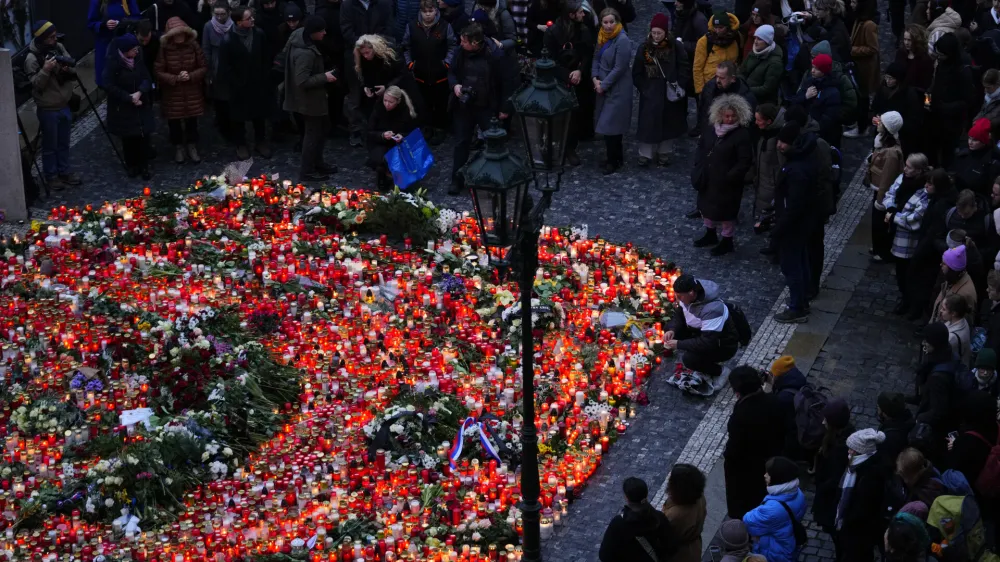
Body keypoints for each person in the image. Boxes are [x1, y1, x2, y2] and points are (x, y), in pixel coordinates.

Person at [448, 23, 515, 194]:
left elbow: (508, 82)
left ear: (475, 42)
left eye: (464, 41)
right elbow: (452, 72)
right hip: (465, 104)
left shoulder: (496, 55)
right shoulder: (460, 52)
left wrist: (505, 107)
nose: (461, 44)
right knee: (461, 142)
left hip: (488, 106)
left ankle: (498, 179)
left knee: (494, 143)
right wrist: (455, 85)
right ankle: (457, 178)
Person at [691, 94, 754, 255]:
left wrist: (731, 176)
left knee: (726, 213)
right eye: (727, 116)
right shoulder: (711, 129)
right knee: (707, 207)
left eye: (733, 116)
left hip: (728, 182)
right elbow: (702, 147)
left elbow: (745, 160)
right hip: (709, 177)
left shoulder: (741, 135)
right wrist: (699, 165)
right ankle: (710, 234)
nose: (730, 119)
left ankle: (727, 241)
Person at [24, 21, 83, 191]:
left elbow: (74, 70)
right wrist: (46, 70)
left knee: (64, 142)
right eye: (50, 37)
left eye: (55, 35)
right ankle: (51, 176)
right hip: (48, 109)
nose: (54, 39)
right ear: (42, 39)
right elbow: (36, 85)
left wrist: (66, 69)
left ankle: (64, 171)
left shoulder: (58, 47)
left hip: (64, 104)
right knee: (50, 146)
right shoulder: (31, 59)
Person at [772, 121, 820, 323]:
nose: (779, 145)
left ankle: (796, 307)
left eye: (784, 142)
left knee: (792, 265)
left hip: (795, 225)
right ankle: (801, 300)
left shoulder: (797, 170)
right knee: (800, 261)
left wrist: (779, 228)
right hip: (802, 222)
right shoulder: (801, 159)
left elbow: (794, 205)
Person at [724, 366, 786, 519]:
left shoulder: (740, 417)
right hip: (771, 458)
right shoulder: (774, 401)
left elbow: (734, 451)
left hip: (748, 469)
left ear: (738, 392)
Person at [284, 15, 340, 182]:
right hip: (309, 101)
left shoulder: (300, 37)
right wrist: (325, 77)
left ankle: (317, 162)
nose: (324, 33)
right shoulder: (305, 54)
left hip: (313, 99)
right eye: (321, 30)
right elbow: (302, 80)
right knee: (313, 134)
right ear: (313, 32)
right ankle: (307, 170)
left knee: (322, 129)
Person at [664, 275, 741, 393]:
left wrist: (679, 344)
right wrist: (672, 330)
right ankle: (702, 361)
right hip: (698, 332)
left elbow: (707, 343)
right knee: (670, 329)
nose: (677, 299)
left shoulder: (713, 309)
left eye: (679, 296)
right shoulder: (687, 297)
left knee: (689, 359)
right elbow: (680, 315)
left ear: (691, 293)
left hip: (722, 344)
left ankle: (721, 371)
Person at [632, 13, 689, 167]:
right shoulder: (644, 48)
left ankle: (664, 154)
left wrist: (680, 84)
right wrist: (644, 88)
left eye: (659, 33)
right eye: (654, 33)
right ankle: (645, 155)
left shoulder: (675, 47)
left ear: (666, 32)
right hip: (650, 94)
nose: (656, 36)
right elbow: (637, 72)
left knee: (668, 125)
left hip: (669, 94)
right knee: (648, 126)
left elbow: (684, 66)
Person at [544, 0, 596, 165]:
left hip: (579, 78)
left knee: (576, 114)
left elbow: (588, 53)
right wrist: (567, 74)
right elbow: (549, 58)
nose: (583, 14)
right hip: (560, 78)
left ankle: (571, 146)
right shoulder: (553, 32)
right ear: (571, 15)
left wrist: (580, 70)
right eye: (580, 12)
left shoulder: (584, 30)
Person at [224, 6, 276, 160]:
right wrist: (234, 82)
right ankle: (241, 143)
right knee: (238, 117)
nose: (253, 19)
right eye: (248, 18)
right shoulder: (228, 40)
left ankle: (260, 141)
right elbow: (225, 66)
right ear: (239, 22)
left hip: (258, 82)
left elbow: (266, 57)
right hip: (238, 85)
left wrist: (265, 77)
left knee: (259, 114)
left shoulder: (259, 34)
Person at [340, 0, 394, 147]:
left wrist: (375, 45)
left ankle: (378, 128)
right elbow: (346, 30)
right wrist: (363, 46)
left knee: (378, 90)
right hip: (354, 55)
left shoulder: (383, 4)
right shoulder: (348, 5)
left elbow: (388, 28)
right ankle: (356, 130)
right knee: (355, 95)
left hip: (378, 54)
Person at [402, 0, 456, 145]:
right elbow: (406, 46)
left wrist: (446, 63)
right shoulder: (412, 26)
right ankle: (426, 128)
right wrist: (410, 64)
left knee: (440, 104)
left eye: (430, 11)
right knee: (423, 103)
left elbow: (452, 46)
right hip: (420, 74)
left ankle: (439, 129)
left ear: (436, 11)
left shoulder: (445, 26)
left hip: (440, 75)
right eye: (425, 11)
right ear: (420, 11)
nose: (427, 15)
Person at [154, 17, 207, 165]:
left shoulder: (193, 46)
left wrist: (190, 76)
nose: (179, 37)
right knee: (174, 122)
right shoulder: (164, 49)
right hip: (173, 92)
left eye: (181, 34)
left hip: (192, 89)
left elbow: (203, 66)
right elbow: (158, 70)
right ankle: (178, 147)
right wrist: (175, 78)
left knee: (192, 121)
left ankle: (192, 146)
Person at [830, 429, 888, 562]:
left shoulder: (870, 476)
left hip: (858, 531)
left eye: (852, 450)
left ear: (862, 452)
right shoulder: (857, 465)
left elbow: (863, 508)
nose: (849, 452)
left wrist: (847, 523)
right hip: (851, 526)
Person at [102, 34, 155, 180]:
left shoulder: (138, 60)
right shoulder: (113, 63)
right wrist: (128, 97)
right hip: (123, 107)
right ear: (125, 50)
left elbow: (147, 78)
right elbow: (108, 85)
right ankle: (132, 165)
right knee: (128, 139)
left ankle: (144, 166)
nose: (136, 52)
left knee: (144, 138)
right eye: (134, 49)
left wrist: (139, 92)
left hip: (140, 104)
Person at [883, 153, 931, 315]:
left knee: (910, 273)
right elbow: (890, 194)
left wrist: (894, 216)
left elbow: (914, 220)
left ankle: (911, 302)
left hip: (910, 241)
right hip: (896, 234)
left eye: (909, 167)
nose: (905, 169)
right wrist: (890, 208)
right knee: (900, 271)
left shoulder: (924, 191)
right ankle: (905, 297)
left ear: (918, 171)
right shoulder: (902, 178)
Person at [592, 8, 633, 175]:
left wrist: (603, 84)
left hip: (617, 89)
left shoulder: (622, 40)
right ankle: (614, 157)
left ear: (617, 22)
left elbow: (619, 68)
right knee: (609, 125)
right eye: (605, 22)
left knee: (611, 125)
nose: (608, 26)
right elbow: (596, 58)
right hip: (603, 85)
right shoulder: (602, 37)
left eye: (611, 22)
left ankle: (614, 159)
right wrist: (594, 78)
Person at [743, 456, 807, 562]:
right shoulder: (798, 493)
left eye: (768, 473)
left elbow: (748, 520)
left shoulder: (773, 509)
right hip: (789, 543)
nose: (764, 475)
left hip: (774, 553)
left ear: (778, 478)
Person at [598, 477, 676, 562]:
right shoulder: (659, 517)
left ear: (627, 498)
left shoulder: (618, 524)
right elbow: (671, 546)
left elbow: (605, 555)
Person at [926, 33, 974, 169]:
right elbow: (933, 86)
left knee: (947, 154)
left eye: (942, 55)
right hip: (934, 117)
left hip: (951, 123)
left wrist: (943, 107)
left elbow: (967, 101)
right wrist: (927, 101)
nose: (938, 57)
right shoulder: (942, 64)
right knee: (932, 149)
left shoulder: (963, 72)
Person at [914, 323, 961, 462]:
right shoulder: (947, 354)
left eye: (927, 340)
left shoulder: (938, 378)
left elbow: (938, 411)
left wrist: (920, 418)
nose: (924, 343)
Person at [812, 398, 854, 533]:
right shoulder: (839, 437)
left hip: (830, 500)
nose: (823, 422)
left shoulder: (839, 449)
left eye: (826, 419)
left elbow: (834, 478)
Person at [691, 11, 741, 125]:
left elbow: (739, 60)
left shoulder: (737, 38)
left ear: (728, 27)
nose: (717, 31)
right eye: (716, 27)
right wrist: (700, 90)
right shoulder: (704, 42)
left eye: (721, 27)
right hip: (710, 86)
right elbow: (697, 67)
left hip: (730, 85)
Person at [869, 111, 905, 262]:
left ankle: (882, 250)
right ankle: (878, 246)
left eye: (882, 123)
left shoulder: (891, 153)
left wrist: (880, 199)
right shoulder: (883, 142)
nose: (879, 123)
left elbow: (887, 178)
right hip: (878, 189)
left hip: (881, 193)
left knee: (880, 224)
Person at [366, 86, 418, 190]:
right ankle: (382, 174)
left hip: (398, 144)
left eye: (391, 102)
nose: (387, 104)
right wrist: (382, 135)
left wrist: (402, 136)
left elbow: (413, 132)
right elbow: (368, 132)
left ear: (398, 101)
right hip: (380, 142)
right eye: (385, 100)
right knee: (381, 158)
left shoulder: (405, 111)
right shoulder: (378, 108)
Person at [870, 63, 924, 157]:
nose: (887, 81)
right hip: (882, 134)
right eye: (886, 77)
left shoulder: (909, 95)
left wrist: (891, 125)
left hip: (900, 138)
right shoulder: (882, 89)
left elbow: (913, 120)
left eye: (891, 78)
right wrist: (874, 117)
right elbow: (874, 108)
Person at [948, 390, 1000, 487]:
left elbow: (956, 469)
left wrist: (955, 445)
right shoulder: (997, 426)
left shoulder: (966, 441)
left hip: (975, 489)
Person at [844, 0, 879, 138]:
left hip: (864, 68)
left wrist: (853, 50)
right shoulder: (859, 20)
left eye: (854, 2)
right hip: (859, 66)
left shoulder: (868, 25)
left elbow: (873, 48)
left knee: (862, 98)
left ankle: (862, 127)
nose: (851, 5)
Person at [87, 0, 142, 88]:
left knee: (129, 79)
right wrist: (104, 25)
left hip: (125, 44)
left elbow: (137, 17)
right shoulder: (97, 2)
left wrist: (123, 23)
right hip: (105, 45)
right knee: (109, 81)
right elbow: (91, 23)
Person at [791, 53, 841, 146]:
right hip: (805, 128)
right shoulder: (809, 81)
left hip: (821, 135)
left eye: (817, 69)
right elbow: (795, 101)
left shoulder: (833, 92)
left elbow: (828, 120)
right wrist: (805, 97)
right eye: (812, 67)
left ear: (824, 71)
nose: (812, 71)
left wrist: (811, 128)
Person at [661, 464, 707, 562]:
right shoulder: (699, 497)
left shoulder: (674, 515)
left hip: (680, 554)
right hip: (694, 547)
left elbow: (664, 537)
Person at [315, 0, 348, 134]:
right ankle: (331, 122)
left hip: (338, 54)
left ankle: (335, 119)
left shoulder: (340, 7)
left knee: (338, 92)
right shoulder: (323, 12)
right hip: (330, 56)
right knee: (333, 91)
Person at [203, 2, 234, 142]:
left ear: (228, 13)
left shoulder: (234, 25)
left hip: (232, 64)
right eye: (217, 14)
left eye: (222, 14)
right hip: (216, 64)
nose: (220, 17)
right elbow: (206, 48)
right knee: (220, 98)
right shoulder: (209, 26)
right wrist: (208, 70)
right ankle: (223, 126)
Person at [752, 103, 785, 235]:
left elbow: (782, 165)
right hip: (763, 182)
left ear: (769, 121)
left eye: (759, 120)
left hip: (771, 185)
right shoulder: (764, 134)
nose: (756, 123)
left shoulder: (777, 139)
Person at [768, 356, 808, 459]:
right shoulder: (798, 379)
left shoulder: (784, 398)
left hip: (792, 437)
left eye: (773, 374)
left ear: (778, 375)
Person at [930, 245, 978, 325]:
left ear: (952, 269)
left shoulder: (965, 294)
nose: (940, 265)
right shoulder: (951, 280)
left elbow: (963, 323)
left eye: (944, 264)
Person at [953, 119, 1000, 197]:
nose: (970, 142)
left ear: (983, 141)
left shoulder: (992, 163)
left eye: (975, 140)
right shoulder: (963, 153)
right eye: (969, 138)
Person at [739, 24, 783, 106]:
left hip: (760, 103)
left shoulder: (775, 63)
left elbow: (767, 89)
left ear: (767, 42)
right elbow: (742, 71)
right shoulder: (754, 51)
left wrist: (746, 89)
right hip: (745, 96)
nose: (755, 41)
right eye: (755, 38)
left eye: (759, 39)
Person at [877, 392, 916, 476]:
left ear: (884, 413)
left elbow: (885, 464)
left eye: (879, 407)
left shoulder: (889, 437)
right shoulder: (908, 420)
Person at [893, 24, 934, 92]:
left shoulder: (925, 59)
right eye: (905, 39)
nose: (906, 43)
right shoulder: (901, 53)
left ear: (916, 40)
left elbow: (926, 84)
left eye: (909, 40)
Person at [939, 293, 972, 367]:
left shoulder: (952, 338)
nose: (941, 311)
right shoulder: (962, 320)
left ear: (953, 313)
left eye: (944, 309)